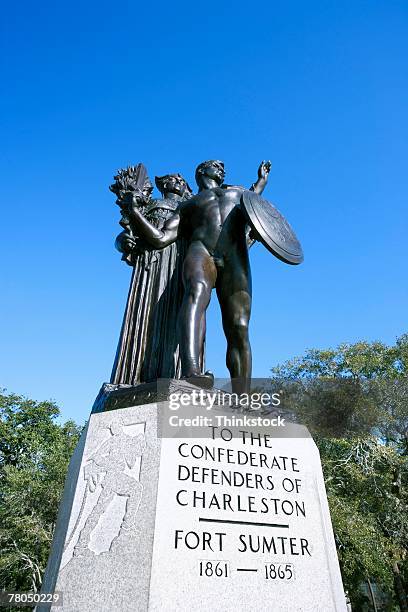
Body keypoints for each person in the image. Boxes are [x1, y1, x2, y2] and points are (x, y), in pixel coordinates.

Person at [128, 160, 271, 393]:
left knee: (239, 325)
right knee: (195, 296)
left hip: (235, 257)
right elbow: (161, 238)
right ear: (202, 172)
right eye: (216, 165)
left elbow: (259, 210)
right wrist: (134, 212)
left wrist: (262, 181)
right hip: (201, 253)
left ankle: (243, 395)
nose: (222, 168)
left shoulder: (239, 193)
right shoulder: (187, 205)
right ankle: (192, 372)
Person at [111, 171, 198, 385]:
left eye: (180, 180)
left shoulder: (192, 208)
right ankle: (134, 378)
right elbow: (125, 234)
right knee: (145, 317)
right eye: (170, 179)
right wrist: (123, 242)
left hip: (179, 266)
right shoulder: (148, 205)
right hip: (149, 266)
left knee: (180, 319)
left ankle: (177, 376)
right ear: (162, 185)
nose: (175, 182)